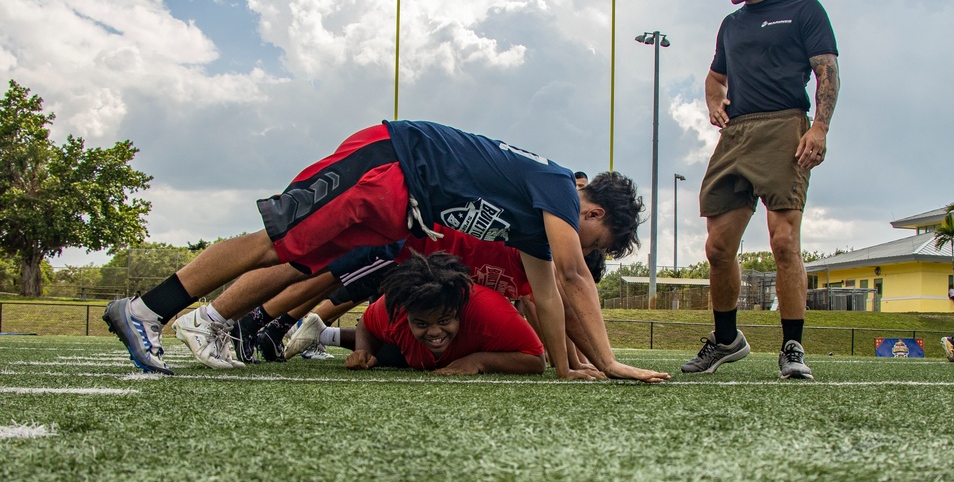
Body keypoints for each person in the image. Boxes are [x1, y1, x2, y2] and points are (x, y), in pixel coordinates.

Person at [103, 119, 670, 383]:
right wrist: (611, 362)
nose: (589, 253)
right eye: (599, 242)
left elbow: (548, 296)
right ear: (592, 213)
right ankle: (150, 310)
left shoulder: (532, 228)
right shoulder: (554, 186)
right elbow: (573, 276)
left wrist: (569, 368)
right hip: (391, 163)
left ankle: (212, 319)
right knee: (272, 245)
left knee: (300, 262)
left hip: (404, 206)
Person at [681, 0, 840, 380]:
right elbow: (715, 78)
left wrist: (819, 127)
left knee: (784, 241)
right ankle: (727, 339)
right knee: (717, 247)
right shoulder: (731, 25)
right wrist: (714, 102)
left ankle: (792, 347)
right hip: (736, 135)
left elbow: (826, 72)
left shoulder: (802, 9)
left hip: (784, 126)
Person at [322, 251, 545, 375]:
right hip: (409, 356)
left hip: (476, 347)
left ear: (458, 310)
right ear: (405, 314)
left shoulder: (489, 311)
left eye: (444, 320)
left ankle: (321, 334)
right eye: (421, 323)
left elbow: (537, 361)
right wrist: (363, 351)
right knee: (384, 356)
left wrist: (479, 361)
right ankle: (320, 334)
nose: (435, 332)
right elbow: (367, 325)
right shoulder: (394, 307)